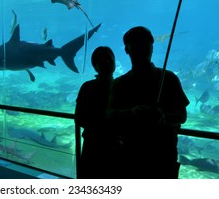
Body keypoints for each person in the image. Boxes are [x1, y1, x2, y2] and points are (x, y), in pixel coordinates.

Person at [107, 26, 189, 179]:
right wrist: (133, 112)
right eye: (136, 44)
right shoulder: (119, 84)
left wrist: (163, 117)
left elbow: (182, 116)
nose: (142, 48)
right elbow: (110, 115)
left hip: (163, 156)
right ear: (127, 49)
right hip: (130, 155)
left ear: (152, 48)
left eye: (145, 44)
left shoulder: (169, 79)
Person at [75, 46, 115, 178]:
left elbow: (79, 118)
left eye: (108, 59)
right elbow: (79, 118)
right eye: (101, 60)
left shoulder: (88, 87)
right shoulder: (120, 86)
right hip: (99, 145)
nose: (106, 63)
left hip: (95, 143)